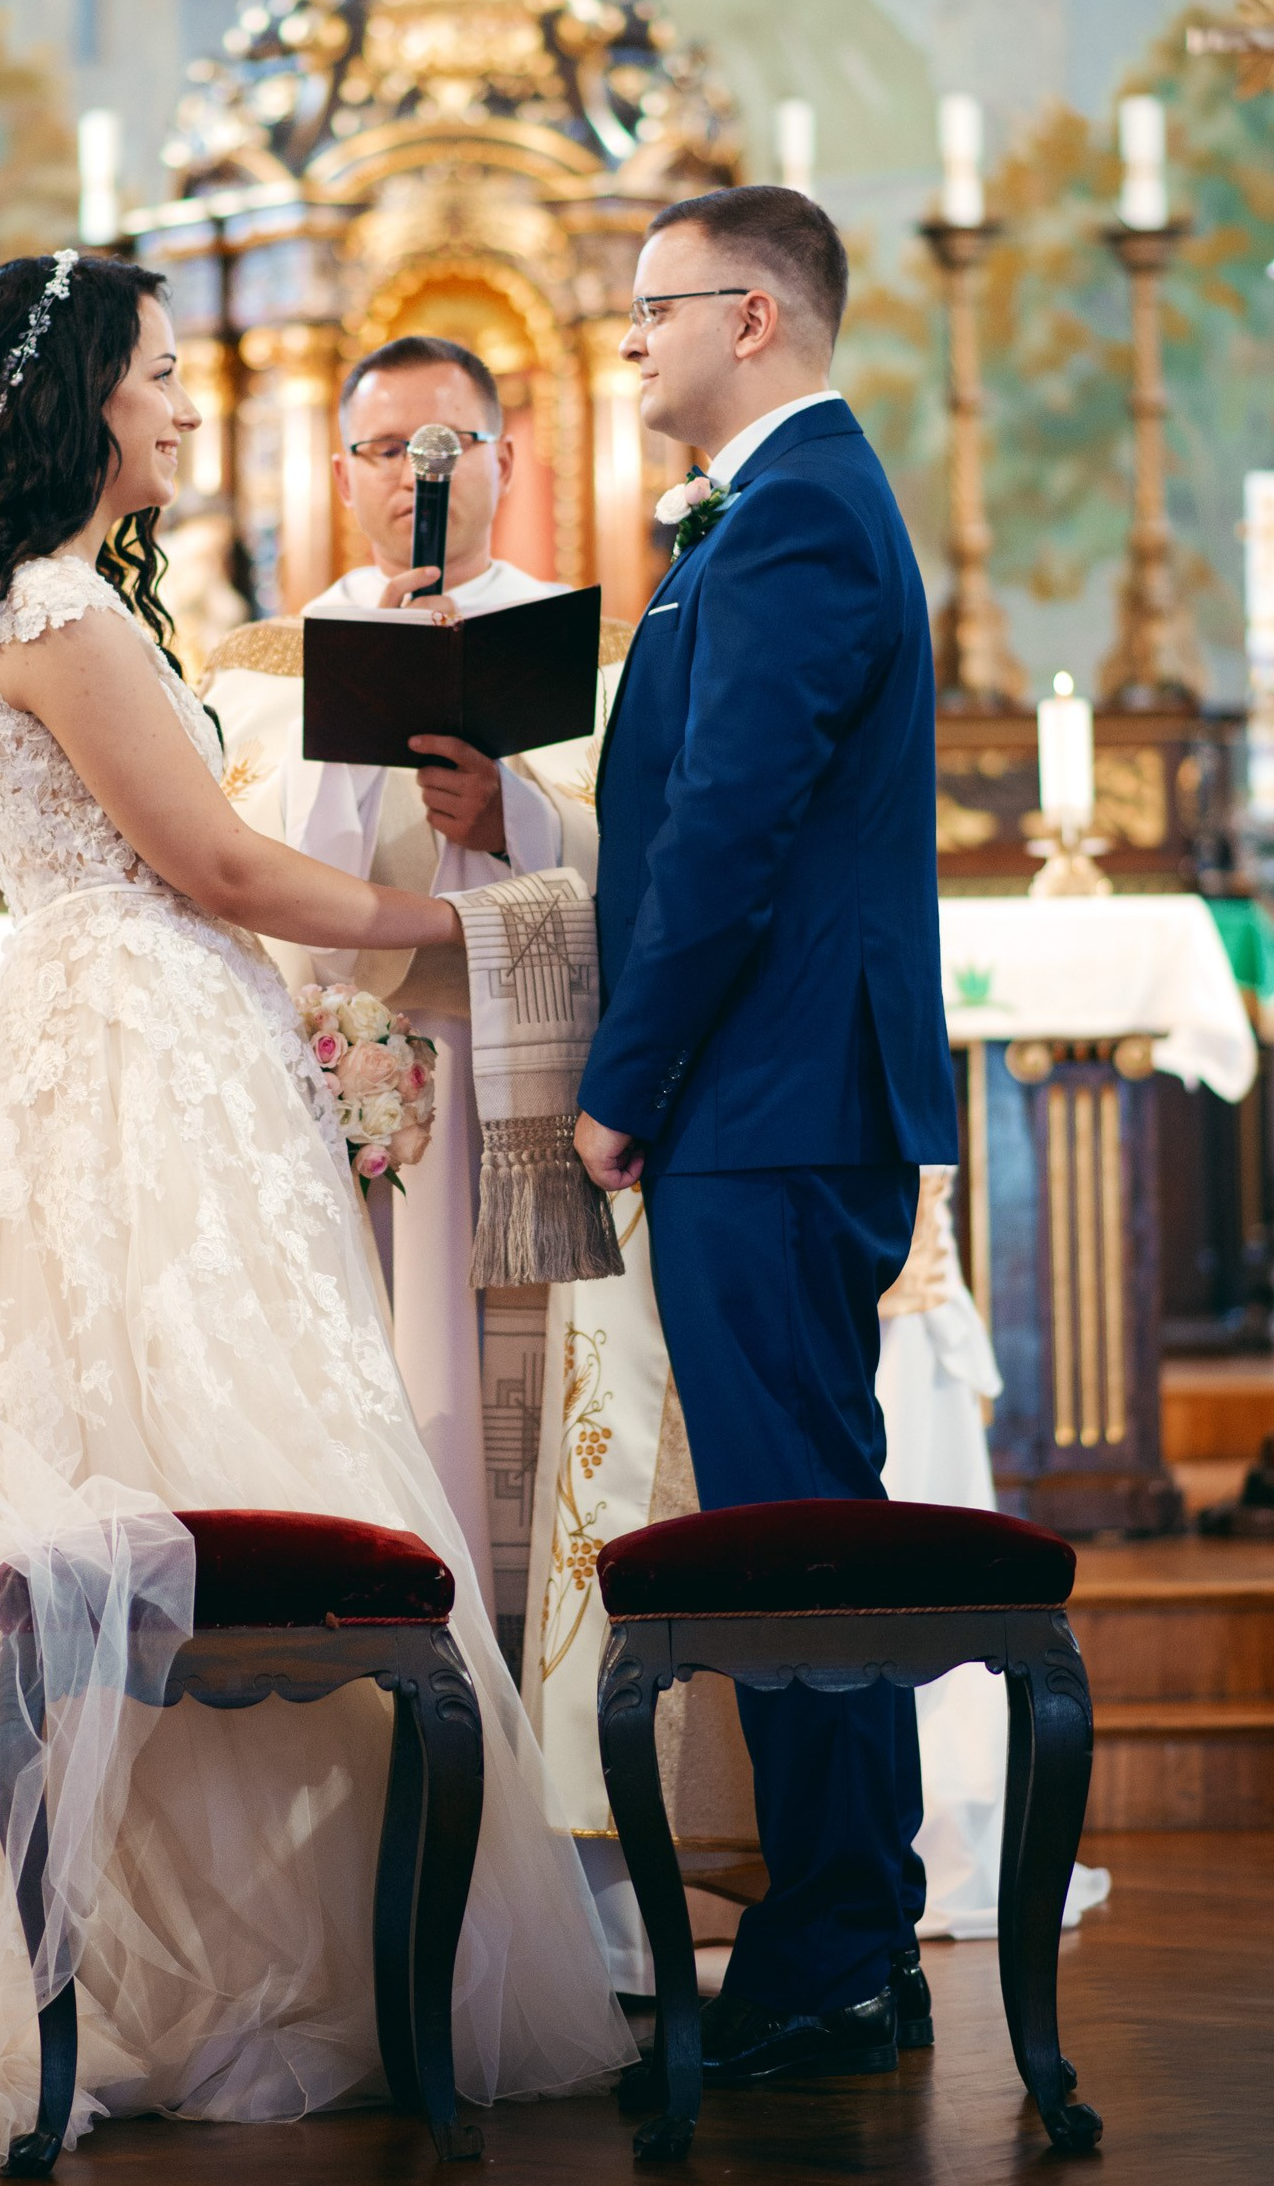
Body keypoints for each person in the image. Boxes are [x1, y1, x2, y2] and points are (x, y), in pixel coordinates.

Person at [0, 253, 631, 2179]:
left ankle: (176, 1937)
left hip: (130, 1035)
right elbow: (221, 863)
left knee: (165, 1448)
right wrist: (475, 923)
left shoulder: (23, 599)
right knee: (193, 1440)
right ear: (81, 399)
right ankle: (190, 1953)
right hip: (138, 1054)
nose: (184, 402)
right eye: (158, 373)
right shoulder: (60, 612)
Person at [574, 186, 959, 2083]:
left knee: (799, 1530)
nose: (630, 340)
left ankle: (839, 1953)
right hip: (773, 1091)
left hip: (771, 1095)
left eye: (652, 308)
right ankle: (846, 1935)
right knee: (795, 1518)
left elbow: (728, 830)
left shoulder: (796, 508)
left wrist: (621, 1083)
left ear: (752, 317)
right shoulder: (780, 503)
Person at [207, 335, 624, 1632]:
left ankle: (517, 1656)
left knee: (509, 1398)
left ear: (508, 459)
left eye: (446, 448)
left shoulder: (598, 657)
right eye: (388, 450)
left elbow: (645, 865)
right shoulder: (260, 665)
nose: (416, 478)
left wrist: (516, 822)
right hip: (344, 1078)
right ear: (343, 473)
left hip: (524, 1086)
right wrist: (360, 702)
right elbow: (242, 874)